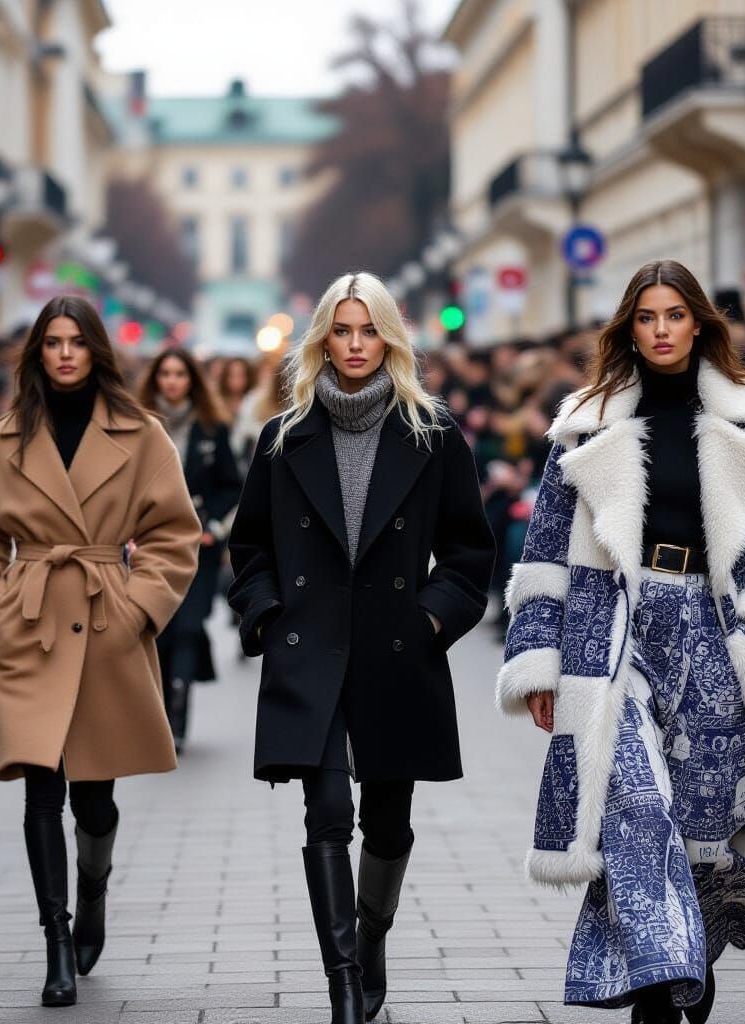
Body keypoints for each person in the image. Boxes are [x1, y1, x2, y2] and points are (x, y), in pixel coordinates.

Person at [496, 260, 745, 1023]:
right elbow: (545, 553)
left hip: (714, 634)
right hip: (612, 632)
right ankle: (658, 991)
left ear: (698, 323)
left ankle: (706, 914)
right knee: (635, 807)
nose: (659, 330)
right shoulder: (588, 420)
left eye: (674, 315)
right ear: (628, 327)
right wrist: (540, 661)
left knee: (694, 826)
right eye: (646, 317)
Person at [228, 271, 494, 1024]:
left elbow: (471, 552)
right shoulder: (284, 437)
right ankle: (343, 983)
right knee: (326, 814)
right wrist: (265, 615)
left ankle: (370, 939)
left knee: (387, 821)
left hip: (396, 647)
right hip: (311, 649)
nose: (354, 345)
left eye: (368, 330)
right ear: (322, 339)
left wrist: (432, 621)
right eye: (341, 331)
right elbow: (249, 546)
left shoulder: (432, 433)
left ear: (390, 338)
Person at [0, 296, 201, 1008]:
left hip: (102, 621)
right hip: (29, 624)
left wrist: (136, 608)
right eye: (52, 342)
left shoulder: (141, 433)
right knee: (40, 786)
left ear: (96, 352)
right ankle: (56, 941)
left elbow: (173, 534)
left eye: (76, 342)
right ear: (37, 353)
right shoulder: (2, 441)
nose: (64, 353)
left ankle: (93, 889)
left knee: (93, 798)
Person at [139, 347, 241, 750]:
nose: (172, 381)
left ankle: (178, 712)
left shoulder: (211, 427)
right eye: (164, 373)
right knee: (159, 630)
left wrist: (214, 525)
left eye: (180, 374)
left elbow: (232, 483)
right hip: (151, 545)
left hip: (199, 546)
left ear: (192, 380)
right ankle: (162, 710)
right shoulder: (136, 425)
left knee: (188, 624)